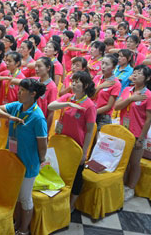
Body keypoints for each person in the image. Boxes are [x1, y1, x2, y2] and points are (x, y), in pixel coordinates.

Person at [0, 78, 48, 235]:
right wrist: (10, 117)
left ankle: (24, 229)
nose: (19, 92)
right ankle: (16, 222)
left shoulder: (38, 117)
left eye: (22, 90)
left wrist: (41, 160)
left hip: (28, 162)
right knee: (14, 194)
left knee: (25, 197)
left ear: (32, 94)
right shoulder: (16, 107)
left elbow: (42, 145)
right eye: (19, 89)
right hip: (13, 159)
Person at [48, 71, 97, 211]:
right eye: (73, 81)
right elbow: (50, 106)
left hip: (76, 145)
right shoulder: (68, 97)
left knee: (76, 176)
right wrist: (68, 103)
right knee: (60, 171)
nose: (74, 84)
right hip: (62, 143)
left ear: (86, 85)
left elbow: (89, 131)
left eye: (78, 82)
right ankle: (58, 201)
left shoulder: (89, 105)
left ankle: (71, 204)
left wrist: (84, 153)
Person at [114, 65, 151, 201]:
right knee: (123, 161)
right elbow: (117, 106)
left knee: (134, 162)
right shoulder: (127, 90)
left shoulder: (148, 96)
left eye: (140, 73)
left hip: (137, 134)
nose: (136, 75)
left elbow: (149, 119)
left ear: (147, 78)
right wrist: (131, 99)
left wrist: (141, 138)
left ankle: (130, 188)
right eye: (135, 72)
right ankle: (121, 184)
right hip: (123, 131)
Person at [93, 54, 121, 129]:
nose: (103, 66)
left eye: (107, 64)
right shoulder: (97, 78)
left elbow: (109, 106)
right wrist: (100, 87)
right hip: (91, 112)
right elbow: (90, 96)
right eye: (102, 63)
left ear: (114, 67)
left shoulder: (116, 83)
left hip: (103, 117)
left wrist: (94, 112)